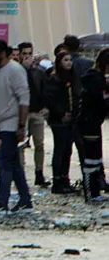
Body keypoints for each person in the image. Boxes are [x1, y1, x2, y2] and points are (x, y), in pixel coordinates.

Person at [0, 40, 33, 214]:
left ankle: (2, 202)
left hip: (10, 124)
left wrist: (21, 125)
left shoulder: (15, 70)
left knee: (4, 164)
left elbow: (24, 99)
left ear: (2, 53)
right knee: (14, 165)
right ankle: (25, 200)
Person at [45, 52, 82, 195]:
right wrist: (61, 114)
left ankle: (65, 179)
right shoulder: (55, 79)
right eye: (65, 60)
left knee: (67, 149)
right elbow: (51, 99)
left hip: (71, 119)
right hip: (58, 121)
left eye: (70, 60)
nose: (69, 63)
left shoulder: (72, 78)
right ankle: (57, 180)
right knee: (60, 149)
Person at [16, 42, 50, 186]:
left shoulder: (39, 72)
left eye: (29, 54)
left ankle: (39, 173)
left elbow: (45, 90)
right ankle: (21, 175)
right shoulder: (17, 71)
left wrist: (46, 107)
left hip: (36, 111)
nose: (27, 57)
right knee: (21, 146)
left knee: (39, 144)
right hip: (22, 113)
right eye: (24, 54)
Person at [78, 48, 109, 202]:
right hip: (90, 123)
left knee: (95, 159)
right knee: (92, 159)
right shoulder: (97, 81)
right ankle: (91, 193)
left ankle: (94, 192)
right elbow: (100, 103)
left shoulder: (93, 78)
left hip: (91, 122)